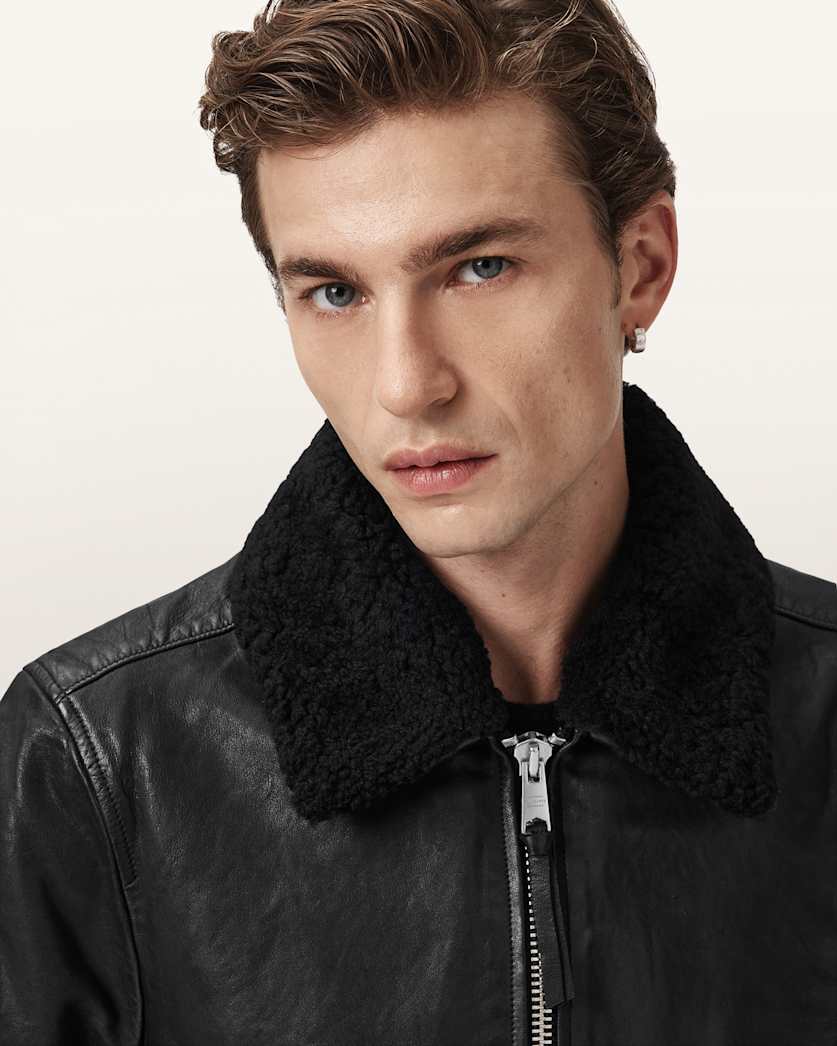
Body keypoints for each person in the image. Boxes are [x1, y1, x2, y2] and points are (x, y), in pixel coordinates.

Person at [2, 1, 835, 1043]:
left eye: (479, 268)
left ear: (642, 266)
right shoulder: (98, 756)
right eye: (334, 291)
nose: (406, 384)